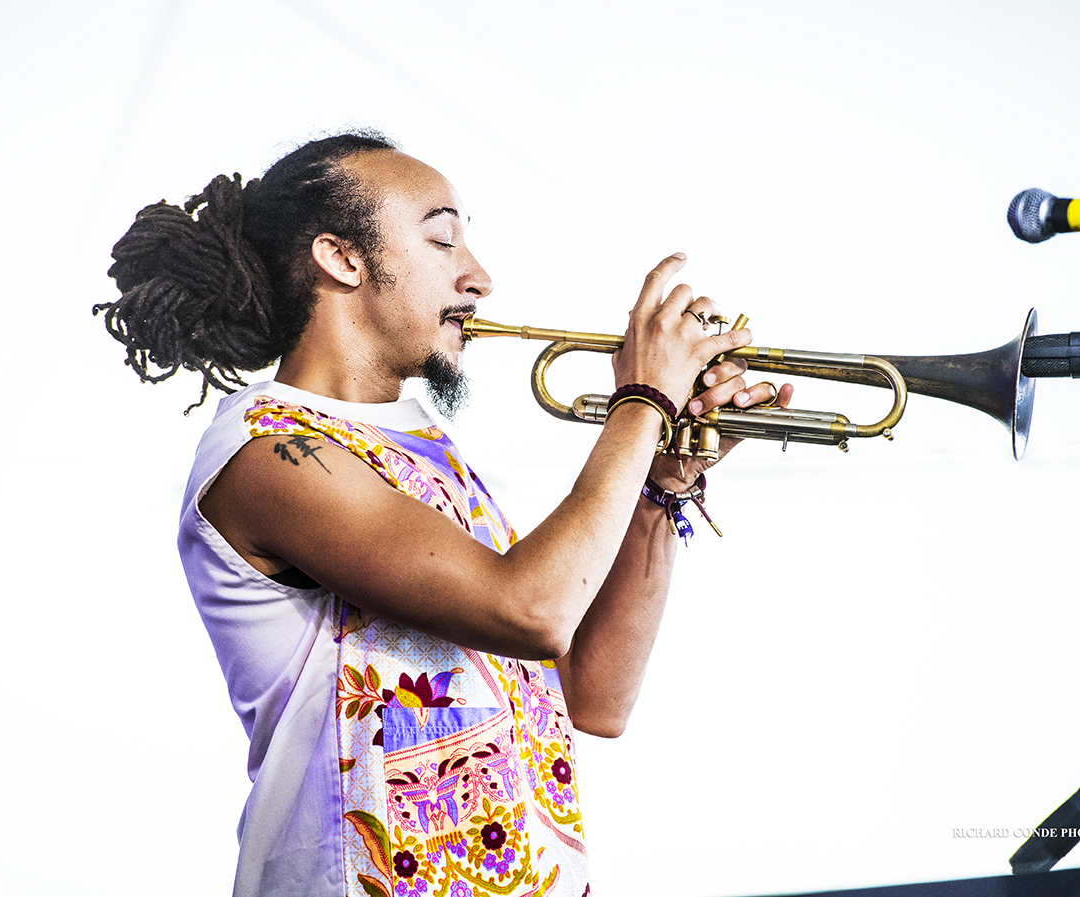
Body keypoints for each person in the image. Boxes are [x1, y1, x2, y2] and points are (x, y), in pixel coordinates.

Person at [96, 130, 790, 897]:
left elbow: (593, 694)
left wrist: (662, 482)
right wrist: (645, 399)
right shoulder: (269, 451)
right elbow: (531, 608)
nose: (479, 277)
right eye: (441, 238)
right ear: (343, 259)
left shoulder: (426, 445)